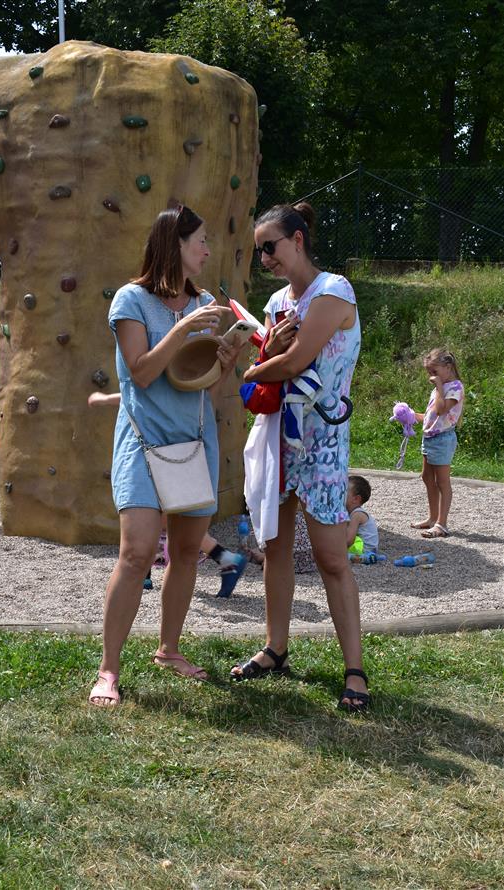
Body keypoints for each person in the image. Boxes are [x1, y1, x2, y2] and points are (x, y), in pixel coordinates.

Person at [89, 205, 243, 707]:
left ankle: (168, 649)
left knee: (184, 554)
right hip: (143, 440)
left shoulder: (204, 302)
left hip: (193, 442)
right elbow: (141, 373)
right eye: (199, 240)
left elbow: (197, 383)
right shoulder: (131, 301)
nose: (206, 249)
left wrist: (224, 361)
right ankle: (108, 670)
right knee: (135, 554)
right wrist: (183, 327)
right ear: (172, 243)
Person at [231, 201, 370, 713]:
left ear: (297, 240)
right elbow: (272, 362)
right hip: (279, 441)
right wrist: (264, 362)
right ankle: (275, 648)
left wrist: (251, 371)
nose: (263, 256)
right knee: (274, 550)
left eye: (269, 246)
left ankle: (354, 671)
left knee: (333, 558)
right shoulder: (273, 304)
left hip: (324, 447)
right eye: (257, 249)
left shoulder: (334, 291)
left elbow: (292, 361)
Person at [88, 392, 247, 597]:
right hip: (162, 453)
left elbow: (141, 394)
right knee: (161, 519)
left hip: (165, 454)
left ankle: (225, 558)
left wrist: (104, 399)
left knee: (166, 520)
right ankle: (222, 559)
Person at [410, 348, 464, 538]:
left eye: (435, 372)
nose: (431, 377)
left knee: (442, 482)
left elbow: (441, 410)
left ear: (448, 367)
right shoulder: (438, 389)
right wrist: (412, 416)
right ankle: (432, 518)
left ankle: (442, 524)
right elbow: (432, 416)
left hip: (443, 439)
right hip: (430, 437)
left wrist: (440, 386)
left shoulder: (455, 388)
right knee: (427, 478)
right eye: (429, 373)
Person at [346, 474, 379, 554]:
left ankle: (367, 558)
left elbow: (348, 540)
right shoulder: (352, 512)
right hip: (370, 550)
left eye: (343, 491)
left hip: (365, 551)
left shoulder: (357, 514)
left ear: (356, 499)